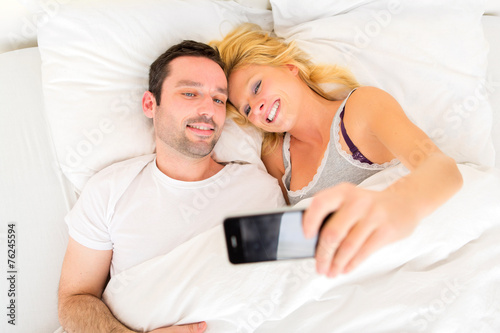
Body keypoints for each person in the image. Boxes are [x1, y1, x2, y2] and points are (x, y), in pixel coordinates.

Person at [57, 40, 285, 333]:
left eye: (218, 99)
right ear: (151, 104)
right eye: (190, 93)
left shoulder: (260, 191)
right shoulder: (109, 191)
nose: (208, 110)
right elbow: (74, 300)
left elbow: (279, 290)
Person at [213, 24, 463, 279]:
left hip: (400, 262)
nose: (256, 108)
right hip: (338, 278)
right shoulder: (276, 157)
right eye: (246, 109)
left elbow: (442, 169)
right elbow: (299, 237)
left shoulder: (361, 108)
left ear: (289, 67)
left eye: (256, 87)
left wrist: (399, 204)